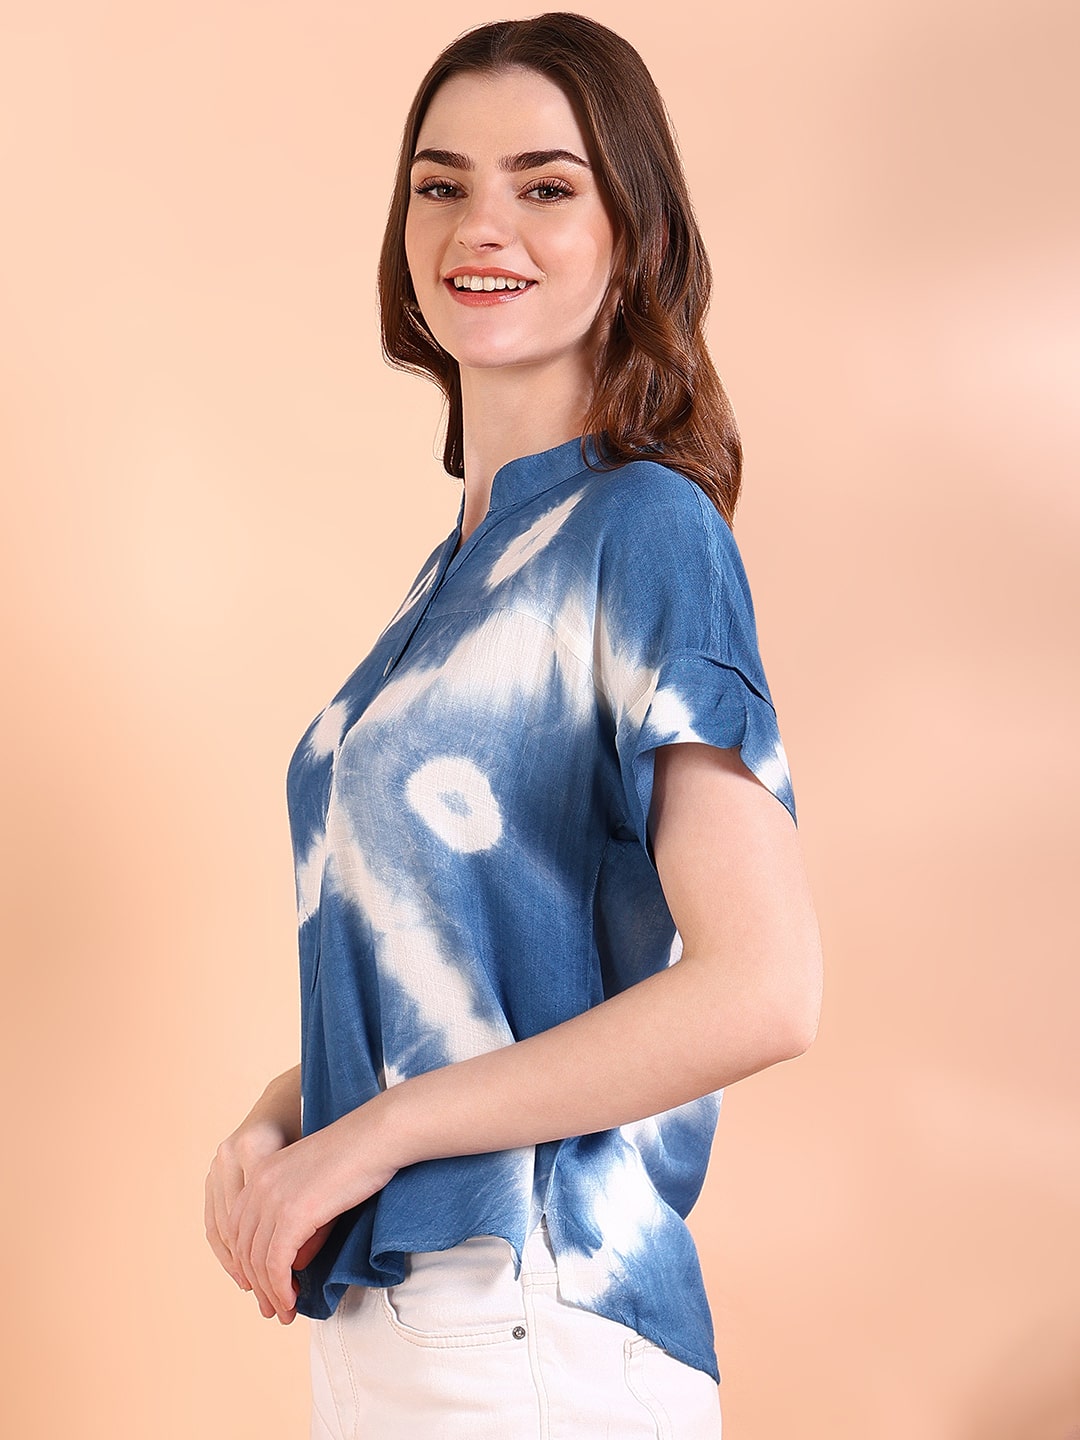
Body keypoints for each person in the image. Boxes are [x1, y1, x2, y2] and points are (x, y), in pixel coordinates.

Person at [204, 12, 823, 1438]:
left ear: (632, 236)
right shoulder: (455, 578)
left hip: (533, 1316)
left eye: (546, 185)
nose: (482, 225)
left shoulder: (643, 529)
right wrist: (283, 1119)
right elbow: (489, 987)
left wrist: (366, 1140)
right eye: (442, 184)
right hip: (394, 1333)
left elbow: (764, 985)